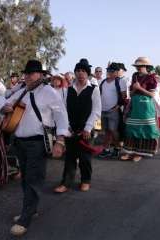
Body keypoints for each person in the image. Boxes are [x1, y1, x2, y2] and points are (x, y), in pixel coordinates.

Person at [3, 60, 69, 236]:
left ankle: (25, 218)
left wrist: (60, 141)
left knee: (33, 179)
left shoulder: (50, 92)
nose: (27, 76)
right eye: (26, 73)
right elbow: (5, 103)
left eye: (31, 73)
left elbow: (61, 116)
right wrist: (6, 107)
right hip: (20, 141)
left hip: (38, 142)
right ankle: (30, 209)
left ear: (40, 75)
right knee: (26, 179)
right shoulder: (22, 90)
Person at [54, 58, 101, 193]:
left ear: (87, 74)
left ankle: (85, 180)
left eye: (83, 71)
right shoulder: (66, 90)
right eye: (78, 71)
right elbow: (62, 110)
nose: (80, 73)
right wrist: (66, 126)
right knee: (70, 157)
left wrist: (88, 127)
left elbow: (96, 111)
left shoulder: (94, 90)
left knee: (85, 157)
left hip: (86, 129)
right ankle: (66, 182)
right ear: (75, 73)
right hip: (70, 128)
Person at [121, 57, 160, 162]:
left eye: (140, 66)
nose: (138, 68)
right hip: (135, 104)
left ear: (146, 66)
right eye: (136, 66)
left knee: (145, 129)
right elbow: (132, 93)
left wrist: (140, 88)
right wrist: (134, 89)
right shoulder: (134, 76)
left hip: (146, 106)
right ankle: (130, 152)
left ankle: (140, 153)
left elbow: (152, 95)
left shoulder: (152, 78)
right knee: (131, 128)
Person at [98, 62, 127, 158]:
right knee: (107, 131)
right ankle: (106, 149)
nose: (109, 72)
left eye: (112, 70)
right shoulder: (103, 82)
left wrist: (118, 106)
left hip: (113, 111)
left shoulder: (120, 81)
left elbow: (124, 96)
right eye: (108, 70)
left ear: (116, 72)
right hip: (103, 110)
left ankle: (117, 148)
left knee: (113, 130)